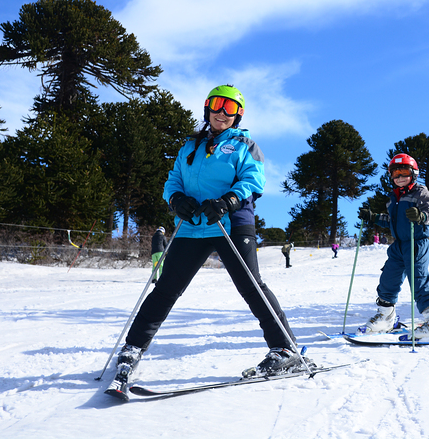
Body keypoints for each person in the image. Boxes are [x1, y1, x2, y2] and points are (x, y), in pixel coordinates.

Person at [115, 85, 308, 384]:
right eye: (218, 105)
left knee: (251, 285)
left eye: (230, 108)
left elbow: (253, 180)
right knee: (166, 288)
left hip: (230, 223)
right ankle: (133, 347)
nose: (222, 112)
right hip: (193, 225)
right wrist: (176, 199)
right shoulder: (189, 147)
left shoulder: (245, 145)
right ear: (207, 109)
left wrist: (228, 201)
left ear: (238, 115)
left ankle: (285, 348)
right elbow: (173, 180)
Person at [358, 153, 429, 340]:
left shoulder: (421, 192)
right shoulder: (393, 197)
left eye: (404, 172)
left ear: (413, 174)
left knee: (418, 280)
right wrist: (373, 217)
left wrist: (420, 216)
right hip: (398, 245)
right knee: (388, 279)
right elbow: (391, 220)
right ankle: (386, 317)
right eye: (395, 173)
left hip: (416, 242)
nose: (399, 177)